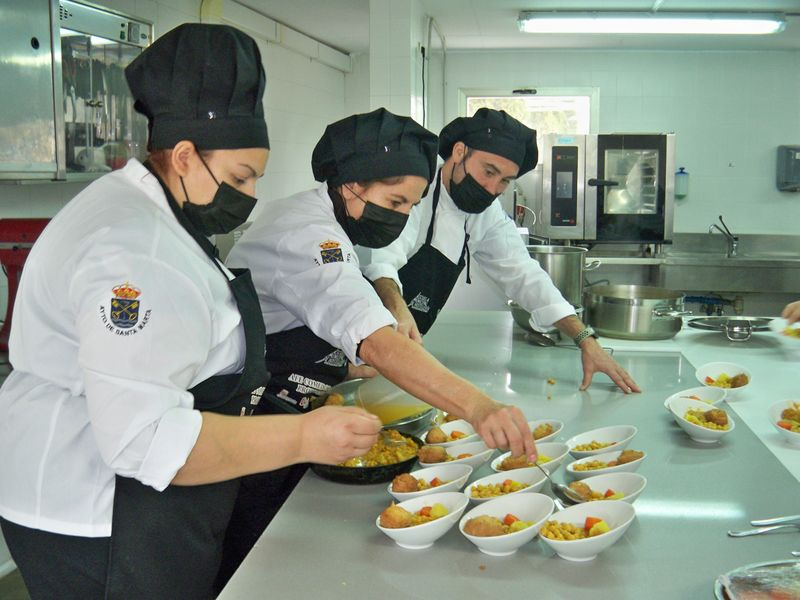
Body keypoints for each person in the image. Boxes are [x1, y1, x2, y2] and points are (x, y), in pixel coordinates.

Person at [0, 24, 380, 600]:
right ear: (182, 156)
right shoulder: (136, 247)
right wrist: (305, 437)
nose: (250, 195)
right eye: (239, 178)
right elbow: (144, 442)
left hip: (129, 498)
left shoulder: (153, 209)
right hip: (98, 507)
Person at [223, 108, 537, 572]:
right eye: (395, 204)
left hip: (291, 401)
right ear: (351, 183)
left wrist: (343, 365)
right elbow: (375, 339)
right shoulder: (310, 234)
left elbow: (298, 320)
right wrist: (478, 407)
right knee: (259, 555)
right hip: (254, 414)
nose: (401, 217)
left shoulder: (332, 221)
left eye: (411, 206)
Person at [360, 108, 640, 394]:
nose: (492, 188)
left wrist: (585, 340)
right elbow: (381, 263)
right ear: (459, 152)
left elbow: (526, 276)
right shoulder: (414, 187)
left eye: (505, 181)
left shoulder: (487, 213)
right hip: (355, 336)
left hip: (402, 353)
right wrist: (400, 312)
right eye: (489, 171)